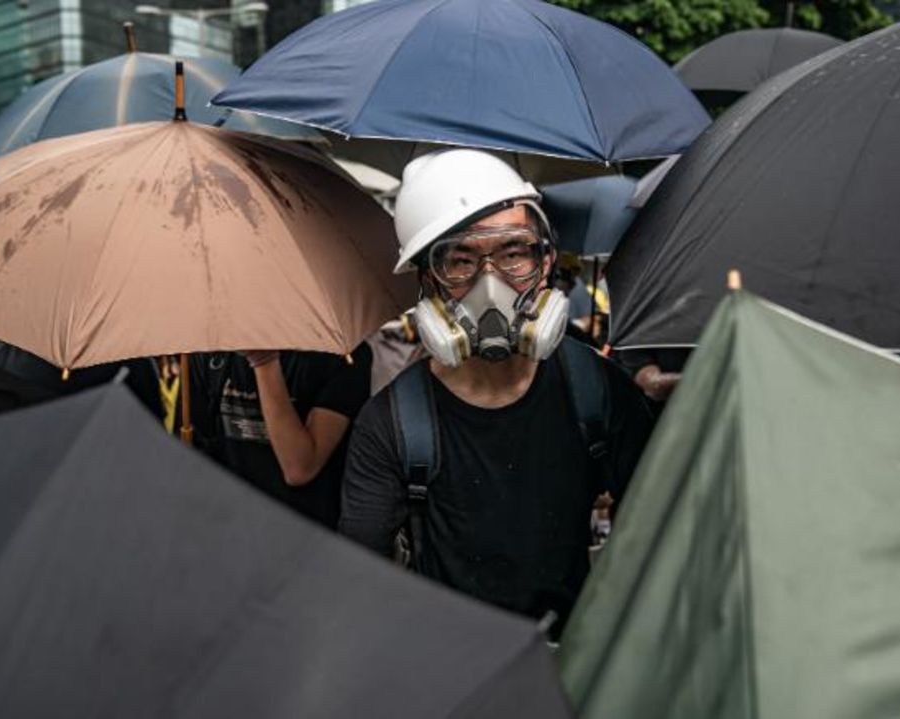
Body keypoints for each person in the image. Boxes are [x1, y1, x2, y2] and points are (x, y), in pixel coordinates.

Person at [338, 150, 653, 635]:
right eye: (460, 259)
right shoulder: (393, 424)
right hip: (449, 674)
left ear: (545, 261)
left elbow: (664, 535)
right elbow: (362, 586)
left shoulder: (598, 390)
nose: (492, 284)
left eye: (513, 252)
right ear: (428, 280)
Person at [190, 346, 372, 529]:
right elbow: (200, 455)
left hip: (306, 534)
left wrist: (264, 361)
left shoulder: (343, 355)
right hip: (229, 526)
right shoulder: (211, 352)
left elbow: (299, 468)